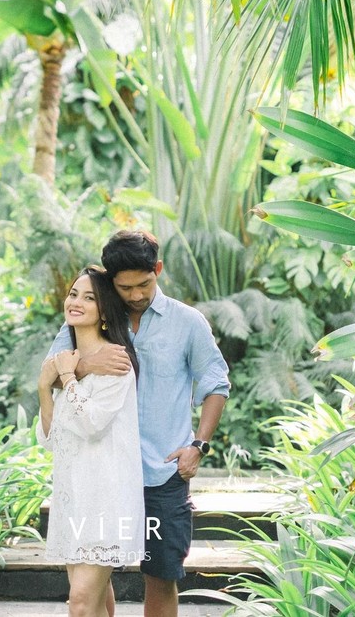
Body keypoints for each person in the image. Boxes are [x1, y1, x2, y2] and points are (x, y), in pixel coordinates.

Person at [47, 230, 231, 617]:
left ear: (158, 270)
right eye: (124, 286)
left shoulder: (187, 322)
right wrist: (86, 363)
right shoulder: (89, 318)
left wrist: (198, 444)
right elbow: (53, 372)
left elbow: (216, 382)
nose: (134, 295)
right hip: (101, 473)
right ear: (110, 281)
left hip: (160, 473)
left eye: (143, 284)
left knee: (161, 575)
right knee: (97, 578)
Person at [37, 266, 145, 617]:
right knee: (91, 605)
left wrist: (67, 376)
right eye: (73, 294)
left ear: (104, 311)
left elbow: (93, 424)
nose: (76, 302)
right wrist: (44, 387)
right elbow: (52, 439)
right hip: (73, 498)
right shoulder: (63, 361)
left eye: (89, 297)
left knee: (81, 604)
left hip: (106, 499)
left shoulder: (116, 361)